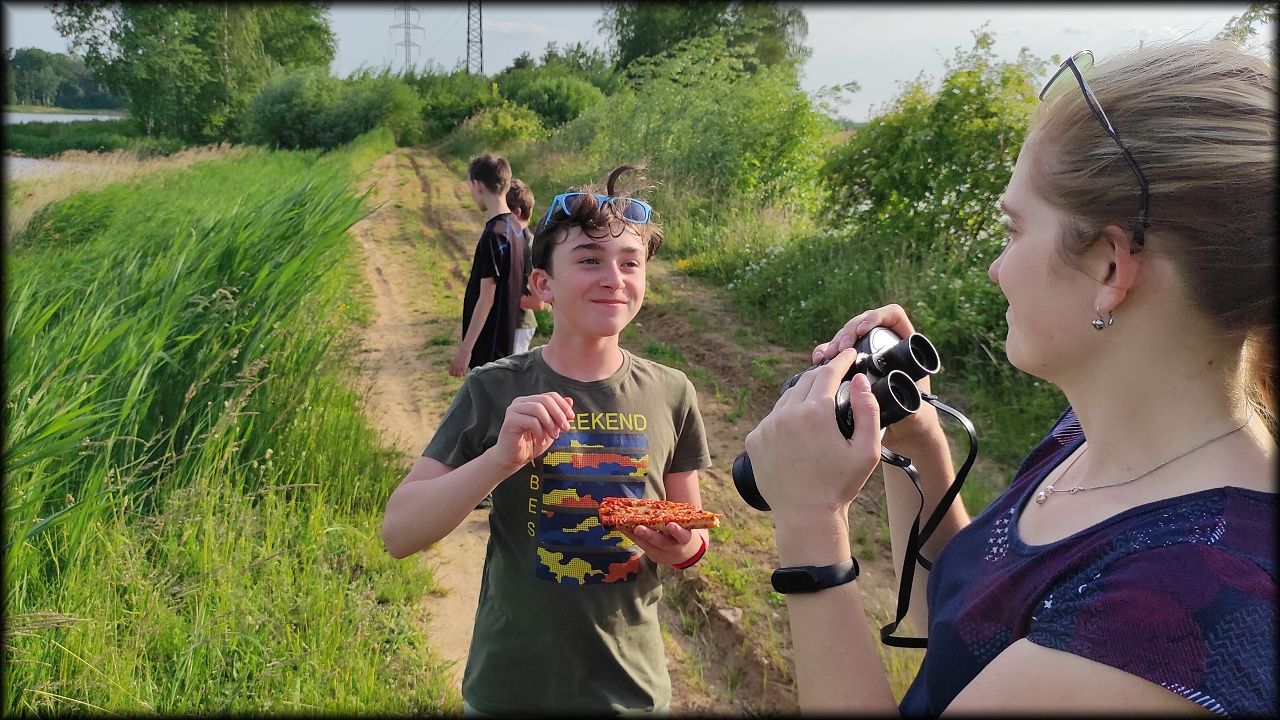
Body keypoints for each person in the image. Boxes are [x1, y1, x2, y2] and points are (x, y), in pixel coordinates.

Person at [743, 41, 1276, 716]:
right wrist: (915, 437)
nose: (997, 267)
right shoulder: (1091, 434)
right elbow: (970, 626)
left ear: (1110, 267)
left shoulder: (1182, 608)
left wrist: (810, 525)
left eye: (1014, 229)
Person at [382, 163, 713, 716]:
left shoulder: (672, 392)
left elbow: (693, 530)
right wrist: (499, 459)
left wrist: (683, 547)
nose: (614, 277)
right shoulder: (495, 387)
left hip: (629, 692)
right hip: (512, 689)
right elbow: (399, 533)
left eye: (630, 262)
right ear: (543, 285)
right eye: (589, 260)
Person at [449, 153, 525, 379]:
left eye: (470, 187)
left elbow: (486, 298)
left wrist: (465, 350)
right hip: (505, 345)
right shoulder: (515, 228)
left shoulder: (494, 235)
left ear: (478, 185)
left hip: (488, 352)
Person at [505, 178, 546, 355]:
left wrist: (499, 297)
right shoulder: (512, 241)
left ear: (516, 213)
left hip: (519, 327)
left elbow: (538, 302)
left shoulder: (528, 245)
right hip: (509, 324)